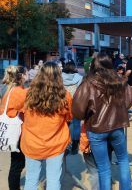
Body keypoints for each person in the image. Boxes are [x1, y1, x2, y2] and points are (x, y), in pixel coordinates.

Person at [72, 53, 132, 190]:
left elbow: (77, 110)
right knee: (123, 160)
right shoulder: (119, 80)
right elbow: (130, 98)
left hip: (96, 129)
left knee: (103, 168)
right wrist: (119, 109)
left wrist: (88, 114)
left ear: (94, 65)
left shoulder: (88, 83)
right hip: (117, 126)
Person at [22, 62, 73, 190]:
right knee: (54, 180)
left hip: (32, 142)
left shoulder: (27, 93)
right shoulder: (65, 96)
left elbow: (21, 114)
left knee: (31, 179)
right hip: (55, 143)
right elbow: (69, 117)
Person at [0, 65, 28, 190]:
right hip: (18, 132)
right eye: (26, 73)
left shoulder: (9, 89)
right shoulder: (20, 92)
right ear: (21, 75)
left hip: (11, 131)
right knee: (17, 165)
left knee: (15, 164)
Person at [62, 61, 83, 155]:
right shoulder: (79, 77)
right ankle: (75, 146)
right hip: (76, 102)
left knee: (64, 124)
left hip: (63, 103)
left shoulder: (60, 77)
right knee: (76, 125)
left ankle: (65, 145)